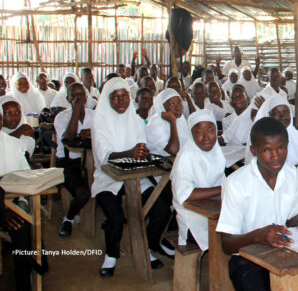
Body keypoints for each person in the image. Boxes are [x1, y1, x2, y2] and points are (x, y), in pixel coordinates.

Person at [217, 117, 298, 291]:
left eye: (281, 148)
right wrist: (258, 235)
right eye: (266, 150)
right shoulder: (235, 183)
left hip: (283, 250)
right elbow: (227, 244)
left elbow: (290, 218)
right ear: (253, 150)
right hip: (247, 259)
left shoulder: (292, 174)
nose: (275, 156)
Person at [91, 77, 171, 277]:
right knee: (116, 217)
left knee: (162, 210)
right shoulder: (100, 122)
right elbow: (104, 157)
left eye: (124, 96)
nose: (120, 102)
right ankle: (111, 255)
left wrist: (141, 151)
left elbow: (141, 145)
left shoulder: (134, 119)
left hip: (136, 175)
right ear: (107, 100)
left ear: (129, 97)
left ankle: (149, 246)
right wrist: (130, 152)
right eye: (115, 98)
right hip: (108, 178)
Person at [0, 109, 47, 291]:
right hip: (3, 204)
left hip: (15, 199)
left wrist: (10, 205)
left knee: (21, 224)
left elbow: (24, 178)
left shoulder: (13, 145)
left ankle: (23, 282)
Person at [171, 110, 225, 250]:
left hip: (214, 211)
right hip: (193, 221)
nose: (206, 137)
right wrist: (222, 189)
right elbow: (185, 194)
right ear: (191, 134)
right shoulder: (186, 157)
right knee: (231, 240)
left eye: (211, 130)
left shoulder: (216, 151)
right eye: (199, 132)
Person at [54, 82, 93, 237]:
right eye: (74, 95)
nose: (78, 98)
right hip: (67, 162)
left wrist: (92, 130)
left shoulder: (94, 115)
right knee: (83, 193)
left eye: (81, 94)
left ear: (86, 96)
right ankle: (68, 219)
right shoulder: (61, 117)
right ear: (67, 98)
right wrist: (76, 112)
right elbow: (68, 137)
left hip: (90, 161)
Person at [245, 94, 298, 166]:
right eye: (276, 114)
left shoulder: (296, 135)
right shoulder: (262, 140)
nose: (282, 117)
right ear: (268, 115)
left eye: (286, 113)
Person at [146, 88, 190, 158]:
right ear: (162, 106)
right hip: (161, 165)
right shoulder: (155, 123)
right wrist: (173, 122)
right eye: (171, 104)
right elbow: (173, 150)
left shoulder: (180, 119)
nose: (178, 107)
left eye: (179, 102)